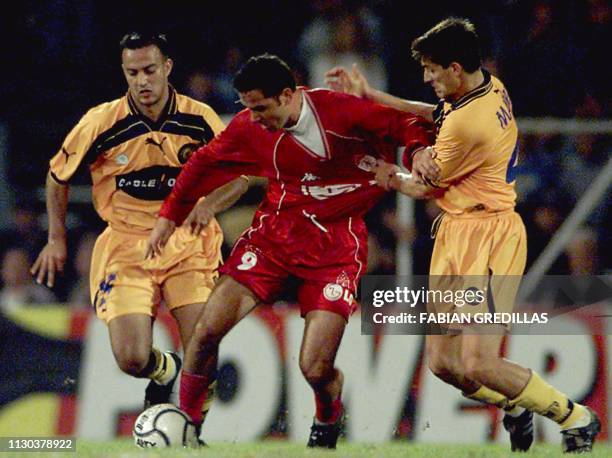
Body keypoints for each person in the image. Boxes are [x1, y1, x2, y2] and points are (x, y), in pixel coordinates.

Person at [326, 17, 601, 454]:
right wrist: (372, 96)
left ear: (455, 68)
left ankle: (576, 417)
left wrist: (388, 175)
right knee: (442, 363)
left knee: (478, 361)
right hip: (456, 234)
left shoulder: (467, 125)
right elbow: (436, 115)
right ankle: (515, 404)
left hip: (490, 237)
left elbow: (421, 186)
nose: (426, 77)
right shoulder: (488, 84)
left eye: (433, 69)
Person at [146, 54, 433, 448]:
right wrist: (168, 217)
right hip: (274, 239)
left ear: (287, 95)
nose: (254, 118)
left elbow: (406, 122)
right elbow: (203, 162)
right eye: (247, 108)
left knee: (314, 367)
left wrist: (417, 152)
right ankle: (189, 430)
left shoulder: (339, 110)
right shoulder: (250, 127)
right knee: (205, 332)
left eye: (261, 108)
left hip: (335, 246)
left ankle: (327, 417)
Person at [30, 32, 248, 413]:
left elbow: (241, 175)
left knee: (203, 346)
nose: (142, 81)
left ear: (167, 67)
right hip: (128, 246)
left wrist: (209, 205)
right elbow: (57, 177)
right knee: (130, 358)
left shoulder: (199, 119)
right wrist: (56, 237)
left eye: (149, 70)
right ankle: (165, 372)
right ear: (124, 73)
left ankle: (189, 433)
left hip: (188, 242)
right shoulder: (101, 122)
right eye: (132, 73)